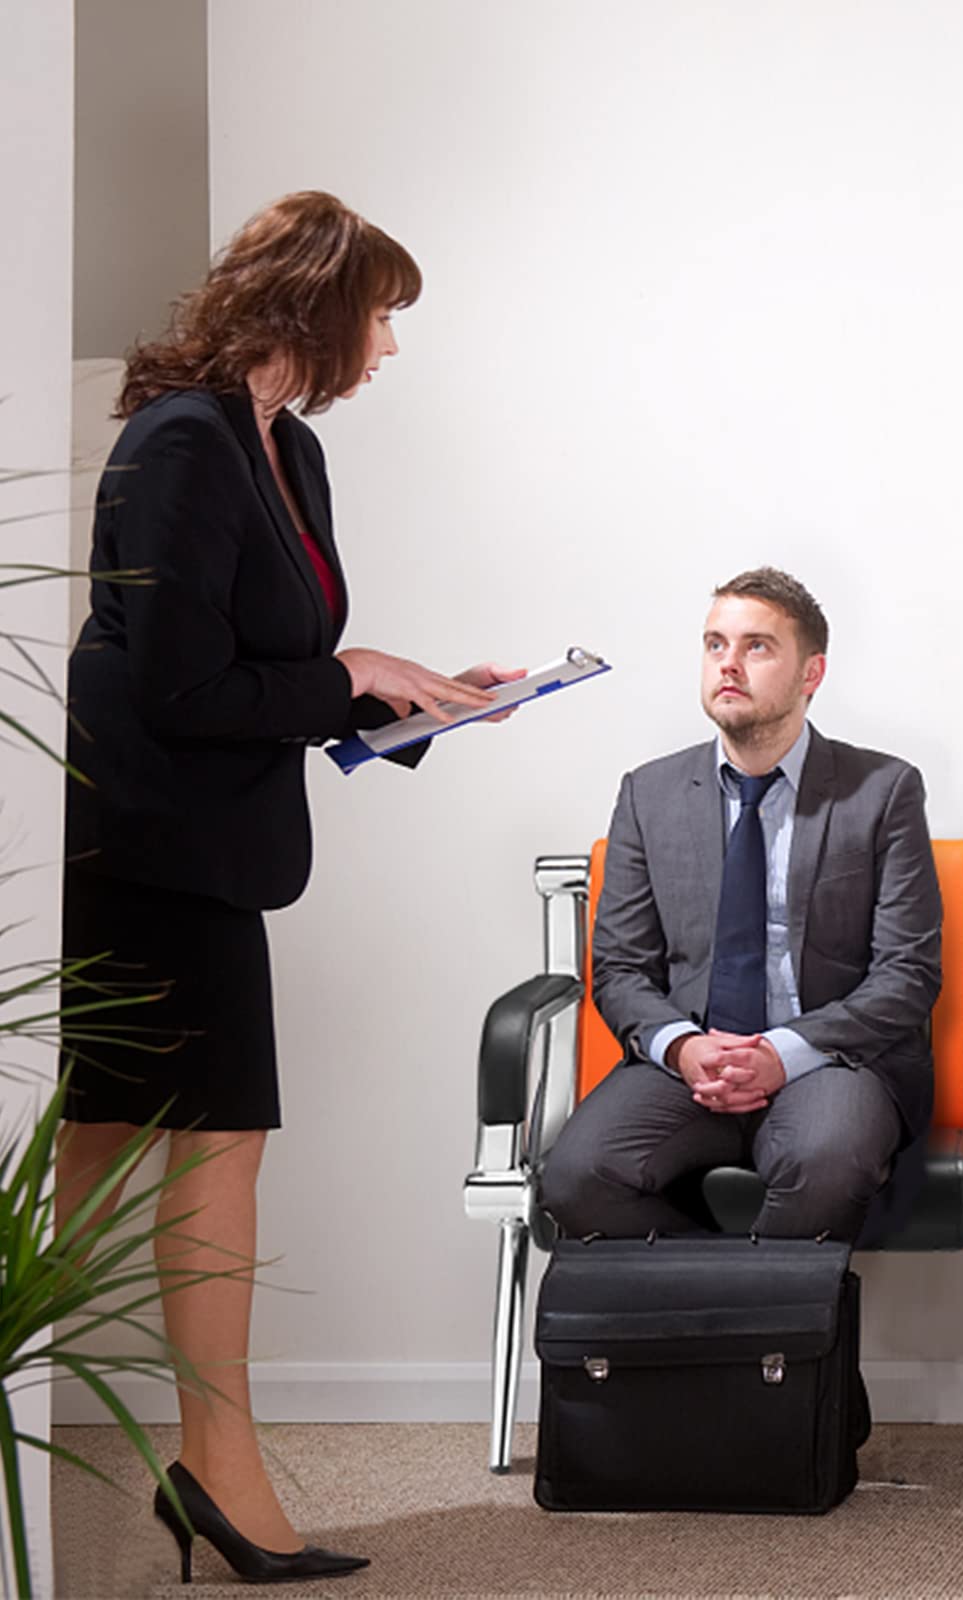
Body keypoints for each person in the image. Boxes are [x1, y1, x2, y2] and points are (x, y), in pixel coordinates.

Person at [55, 191, 519, 1584]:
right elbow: (177, 684)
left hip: (213, 852)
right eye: (380, 314)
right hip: (141, 856)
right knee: (142, 1154)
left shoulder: (286, 449)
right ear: (316, 308)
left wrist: (413, 702)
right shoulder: (181, 442)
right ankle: (217, 1470)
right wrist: (349, 675)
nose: (387, 344)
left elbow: (274, 669)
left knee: (145, 1149)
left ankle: (218, 1468)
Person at [540, 566, 942, 1244]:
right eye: (714, 644)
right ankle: (740, 1328)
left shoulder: (882, 791)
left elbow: (907, 974)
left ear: (811, 673)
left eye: (757, 646)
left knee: (827, 1161)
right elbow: (620, 967)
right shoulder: (650, 794)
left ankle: (759, 1332)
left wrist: (783, 1053)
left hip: (832, 1059)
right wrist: (683, 1045)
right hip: (688, 1064)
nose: (729, 664)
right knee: (577, 1176)